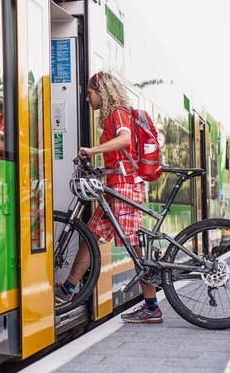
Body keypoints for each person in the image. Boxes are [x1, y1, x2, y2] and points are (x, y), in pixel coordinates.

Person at [56, 71, 162, 324]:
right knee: (90, 237)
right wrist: (101, 168)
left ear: (101, 91)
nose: (87, 99)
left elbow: (125, 140)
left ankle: (152, 306)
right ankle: (69, 289)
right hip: (114, 187)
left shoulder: (118, 113)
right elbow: (120, 156)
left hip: (125, 188)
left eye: (89, 93)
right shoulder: (113, 116)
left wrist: (91, 150)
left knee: (134, 247)